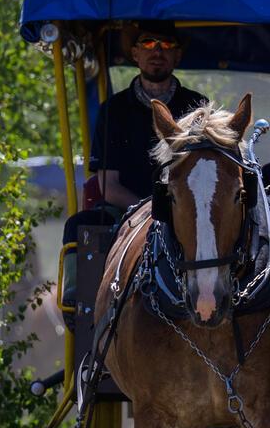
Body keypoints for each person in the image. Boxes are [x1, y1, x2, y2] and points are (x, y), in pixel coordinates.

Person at [59, 24, 209, 314]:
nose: (157, 52)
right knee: (80, 225)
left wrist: (179, 207)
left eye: (166, 45)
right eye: (149, 43)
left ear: (177, 56)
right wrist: (151, 208)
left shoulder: (197, 107)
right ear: (135, 54)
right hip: (127, 209)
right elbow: (106, 185)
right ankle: (83, 312)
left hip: (187, 208)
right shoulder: (113, 110)